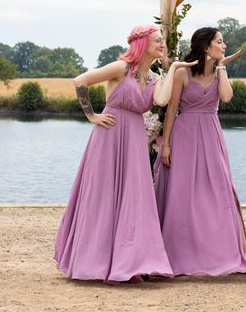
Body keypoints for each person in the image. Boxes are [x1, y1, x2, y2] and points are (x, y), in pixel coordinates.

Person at [54, 24, 195, 283]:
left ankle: (130, 261)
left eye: (162, 40)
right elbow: (80, 81)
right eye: (157, 40)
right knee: (102, 196)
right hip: (109, 136)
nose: (161, 44)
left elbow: (162, 101)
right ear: (142, 43)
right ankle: (93, 261)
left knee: (134, 199)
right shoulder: (121, 68)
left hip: (133, 140)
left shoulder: (155, 78)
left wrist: (173, 68)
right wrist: (92, 115)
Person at [154, 27, 246, 276]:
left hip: (211, 134)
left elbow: (227, 97)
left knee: (217, 191)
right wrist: (165, 144)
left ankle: (219, 251)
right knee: (183, 193)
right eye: (220, 41)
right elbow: (173, 108)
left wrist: (222, 67)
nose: (225, 45)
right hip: (184, 135)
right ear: (207, 46)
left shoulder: (220, 74)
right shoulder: (183, 73)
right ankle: (180, 252)